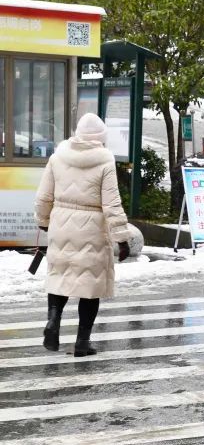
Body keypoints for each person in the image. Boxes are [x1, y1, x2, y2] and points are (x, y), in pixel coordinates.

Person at [34, 113, 131, 356]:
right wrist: (122, 237)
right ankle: (81, 342)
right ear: (101, 138)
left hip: (61, 224)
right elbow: (112, 204)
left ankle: (53, 322)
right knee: (90, 287)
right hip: (92, 231)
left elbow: (43, 196)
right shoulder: (105, 161)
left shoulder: (58, 157)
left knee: (60, 277)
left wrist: (44, 221)